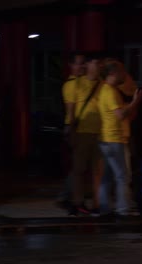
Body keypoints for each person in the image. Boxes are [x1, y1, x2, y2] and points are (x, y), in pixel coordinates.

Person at [97, 59, 142, 217]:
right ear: (112, 74)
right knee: (122, 175)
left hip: (109, 139)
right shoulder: (109, 92)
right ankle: (123, 209)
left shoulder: (108, 90)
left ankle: (105, 207)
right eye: (121, 72)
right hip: (113, 139)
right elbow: (120, 115)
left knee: (108, 176)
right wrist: (135, 102)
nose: (124, 75)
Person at [65, 53, 103, 216]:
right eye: (95, 64)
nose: (98, 68)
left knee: (97, 171)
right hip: (82, 132)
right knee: (79, 170)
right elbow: (71, 112)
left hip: (100, 133)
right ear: (88, 65)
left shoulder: (102, 84)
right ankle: (77, 203)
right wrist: (71, 131)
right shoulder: (75, 84)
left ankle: (96, 203)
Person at [57, 51, 86, 210]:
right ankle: (67, 196)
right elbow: (71, 111)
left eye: (83, 63)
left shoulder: (84, 82)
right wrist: (73, 130)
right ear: (71, 65)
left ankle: (68, 195)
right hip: (75, 127)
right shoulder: (70, 85)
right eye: (78, 63)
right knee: (77, 166)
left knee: (80, 166)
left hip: (83, 128)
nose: (82, 66)